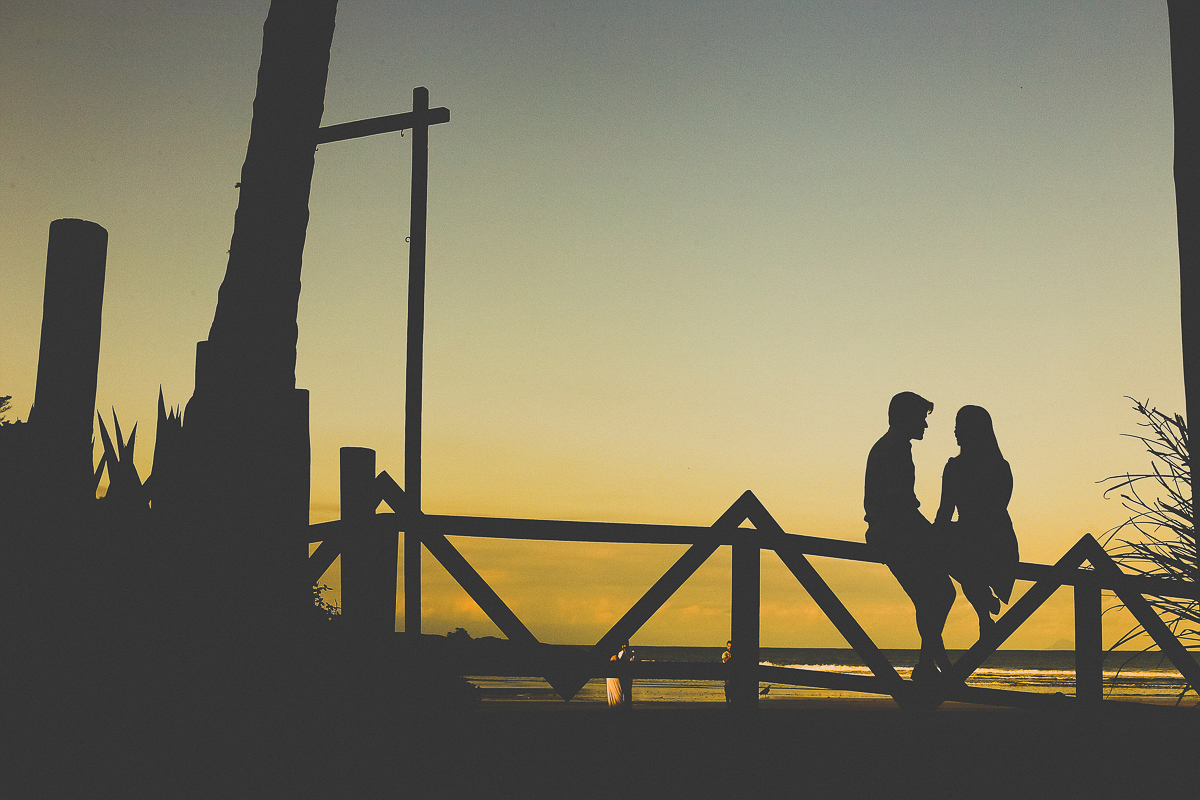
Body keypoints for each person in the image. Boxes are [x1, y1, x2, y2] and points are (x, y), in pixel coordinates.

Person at [864, 391, 956, 685]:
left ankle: (930, 664)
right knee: (940, 594)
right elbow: (898, 504)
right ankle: (931, 665)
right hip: (895, 534)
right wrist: (928, 533)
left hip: (893, 532)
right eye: (921, 419)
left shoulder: (891, 446)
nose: (926, 426)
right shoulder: (895, 449)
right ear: (906, 418)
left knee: (930, 598)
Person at [934, 405, 1020, 640]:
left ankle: (984, 612)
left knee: (960, 554)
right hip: (988, 536)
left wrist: (933, 537)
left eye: (959, 426)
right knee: (959, 553)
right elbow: (945, 513)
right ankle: (984, 611)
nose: (954, 432)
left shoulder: (964, 468)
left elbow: (947, 513)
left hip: (992, 539)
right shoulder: (998, 467)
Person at [607, 642, 635, 708]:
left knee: (625, 693)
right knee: (617, 695)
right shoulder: (618, 654)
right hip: (618, 675)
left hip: (624, 675)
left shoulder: (629, 653)